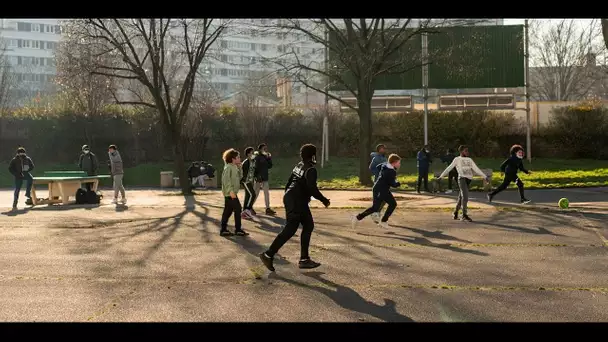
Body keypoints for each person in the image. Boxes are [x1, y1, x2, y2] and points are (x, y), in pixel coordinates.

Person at [259, 144, 330, 272]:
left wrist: (288, 197)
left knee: (303, 226)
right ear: (313, 155)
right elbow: (312, 189)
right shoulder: (311, 169)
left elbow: (289, 181)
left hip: (292, 197)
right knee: (294, 228)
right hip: (297, 200)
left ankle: (302, 259)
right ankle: (270, 254)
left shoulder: (299, 165)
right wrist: (324, 200)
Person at [438, 145, 488, 222]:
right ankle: (464, 214)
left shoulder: (469, 160)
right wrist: (441, 176)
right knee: (465, 196)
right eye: (465, 151)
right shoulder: (457, 159)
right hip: (462, 179)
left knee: (461, 198)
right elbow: (449, 168)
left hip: (469, 179)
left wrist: (485, 176)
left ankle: (455, 212)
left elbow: (476, 169)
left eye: (467, 150)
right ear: (461, 152)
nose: (467, 152)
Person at [352, 154, 402, 229]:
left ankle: (357, 218)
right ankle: (383, 221)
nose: (399, 164)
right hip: (381, 190)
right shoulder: (391, 171)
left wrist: (380, 176)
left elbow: (378, 167)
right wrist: (398, 183)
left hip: (379, 188)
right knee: (392, 204)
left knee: (375, 208)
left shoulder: (385, 164)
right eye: (398, 162)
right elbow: (393, 184)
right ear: (394, 162)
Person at [220, 148, 248, 237]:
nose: (240, 159)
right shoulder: (228, 167)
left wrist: (240, 168)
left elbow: (240, 177)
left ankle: (223, 230)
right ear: (233, 159)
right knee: (238, 209)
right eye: (238, 157)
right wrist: (231, 191)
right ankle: (238, 229)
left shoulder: (235, 167)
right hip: (230, 194)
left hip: (232, 193)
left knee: (227, 211)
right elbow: (226, 181)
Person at [253, 143, 276, 216]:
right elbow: (254, 168)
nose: (265, 150)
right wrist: (257, 176)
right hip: (258, 179)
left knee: (266, 193)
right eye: (264, 148)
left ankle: (268, 208)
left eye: (266, 148)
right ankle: (249, 207)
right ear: (260, 149)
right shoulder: (256, 157)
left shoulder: (266, 157)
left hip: (265, 178)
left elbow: (270, 166)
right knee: (255, 194)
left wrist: (269, 158)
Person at [368, 144, 388, 223]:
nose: (384, 150)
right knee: (379, 199)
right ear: (379, 150)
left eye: (384, 148)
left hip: (384, 181)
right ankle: (375, 214)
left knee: (384, 199)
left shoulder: (384, 158)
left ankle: (376, 213)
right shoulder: (376, 158)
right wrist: (378, 173)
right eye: (383, 149)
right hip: (378, 181)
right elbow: (371, 168)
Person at [240, 147, 258, 219]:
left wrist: (256, 177)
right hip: (245, 181)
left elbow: (254, 171)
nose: (253, 154)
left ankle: (244, 211)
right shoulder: (245, 162)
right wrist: (243, 181)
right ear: (248, 154)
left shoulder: (253, 161)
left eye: (253, 153)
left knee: (248, 195)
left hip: (251, 181)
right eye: (252, 153)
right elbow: (241, 173)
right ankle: (247, 209)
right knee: (253, 194)